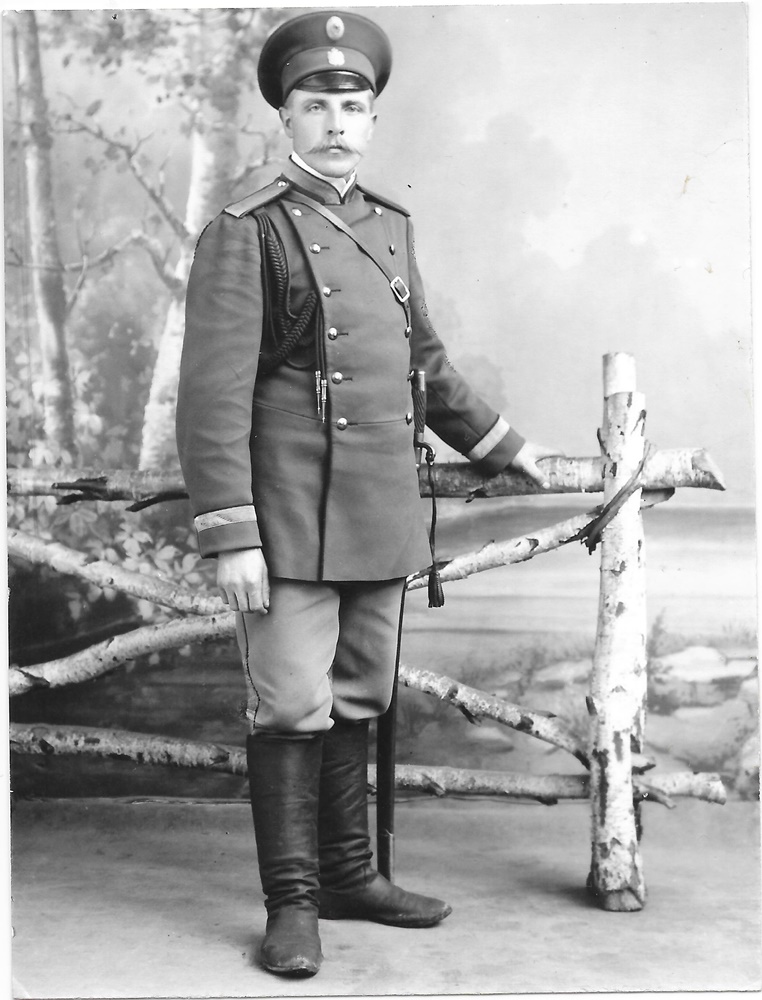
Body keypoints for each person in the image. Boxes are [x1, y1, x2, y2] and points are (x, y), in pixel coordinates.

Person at [176, 9, 559, 979]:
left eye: (353, 107)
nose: (337, 123)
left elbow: (424, 362)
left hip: (379, 511)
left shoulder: (389, 223)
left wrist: (506, 446)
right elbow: (212, 397)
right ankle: (292, 904)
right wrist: (232, 534)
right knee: (290, 705)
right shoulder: (247, 229)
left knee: (358, 695)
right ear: (286, 118)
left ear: (373, 120)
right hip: (290, 516)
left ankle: (350, 876)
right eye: (317, 105)